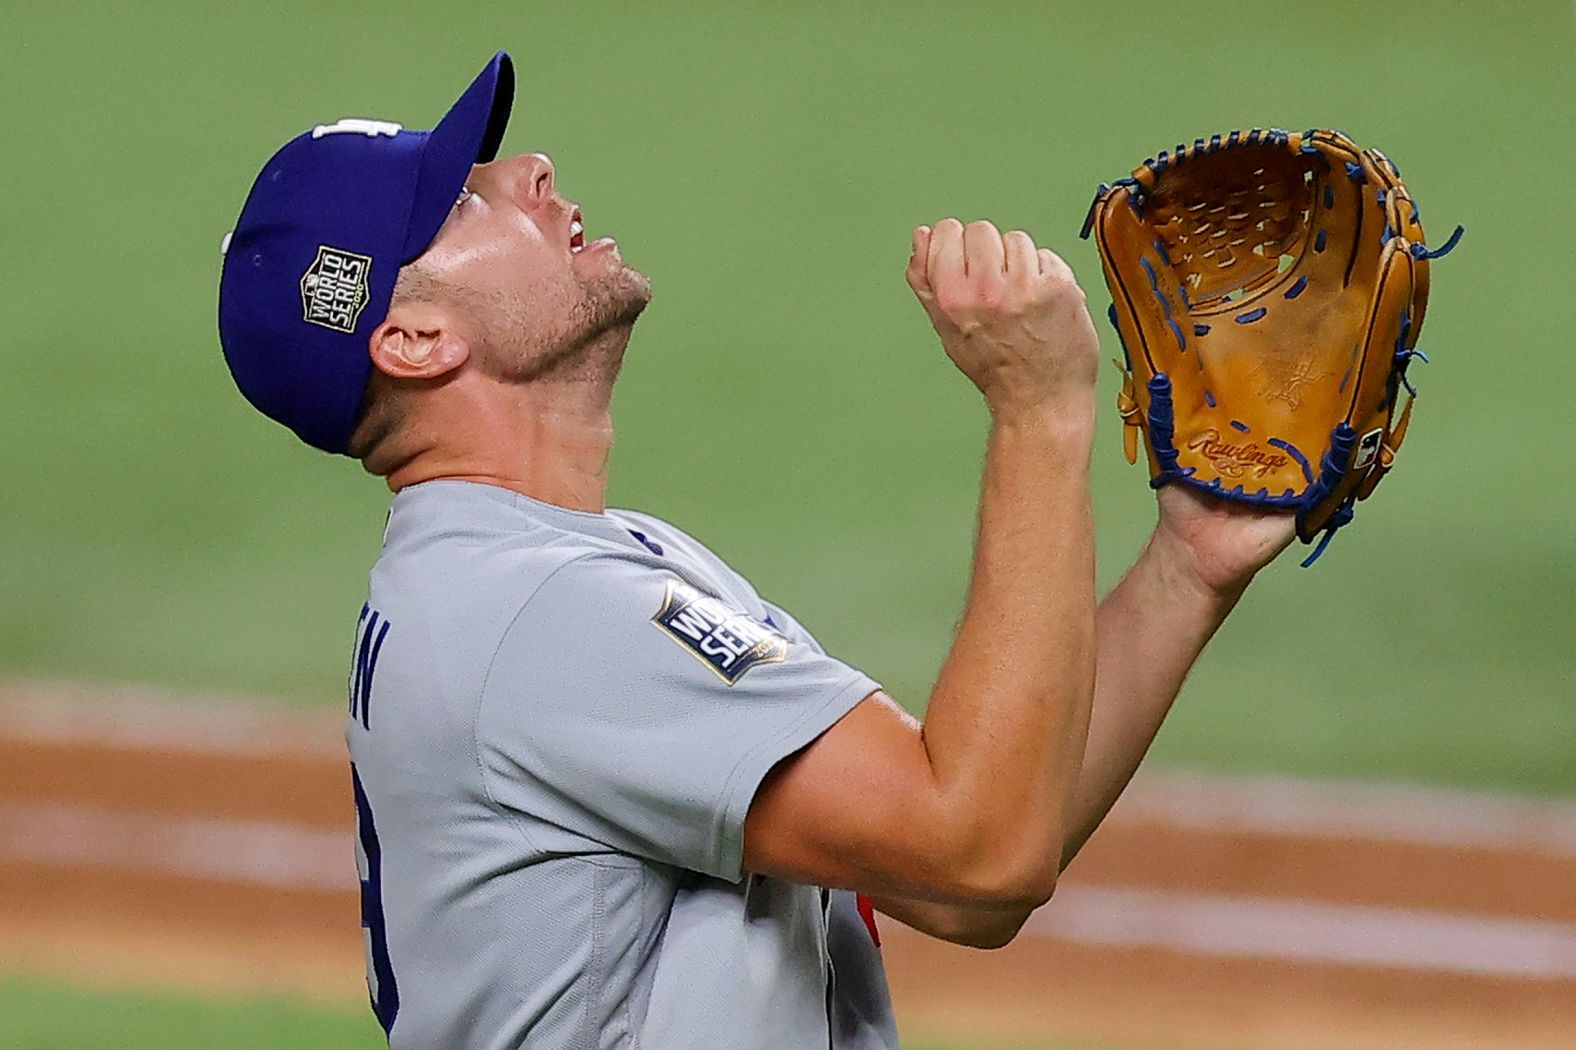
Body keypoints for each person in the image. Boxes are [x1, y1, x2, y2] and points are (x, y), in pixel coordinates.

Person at [218, 52, 1293, 1050]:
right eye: (458, 200)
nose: (527, 171)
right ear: (412, 341)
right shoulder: (540, 618)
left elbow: (953, 873)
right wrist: (1038, 410)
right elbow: (979, 846)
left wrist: (1183, 568)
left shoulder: (577, 569)